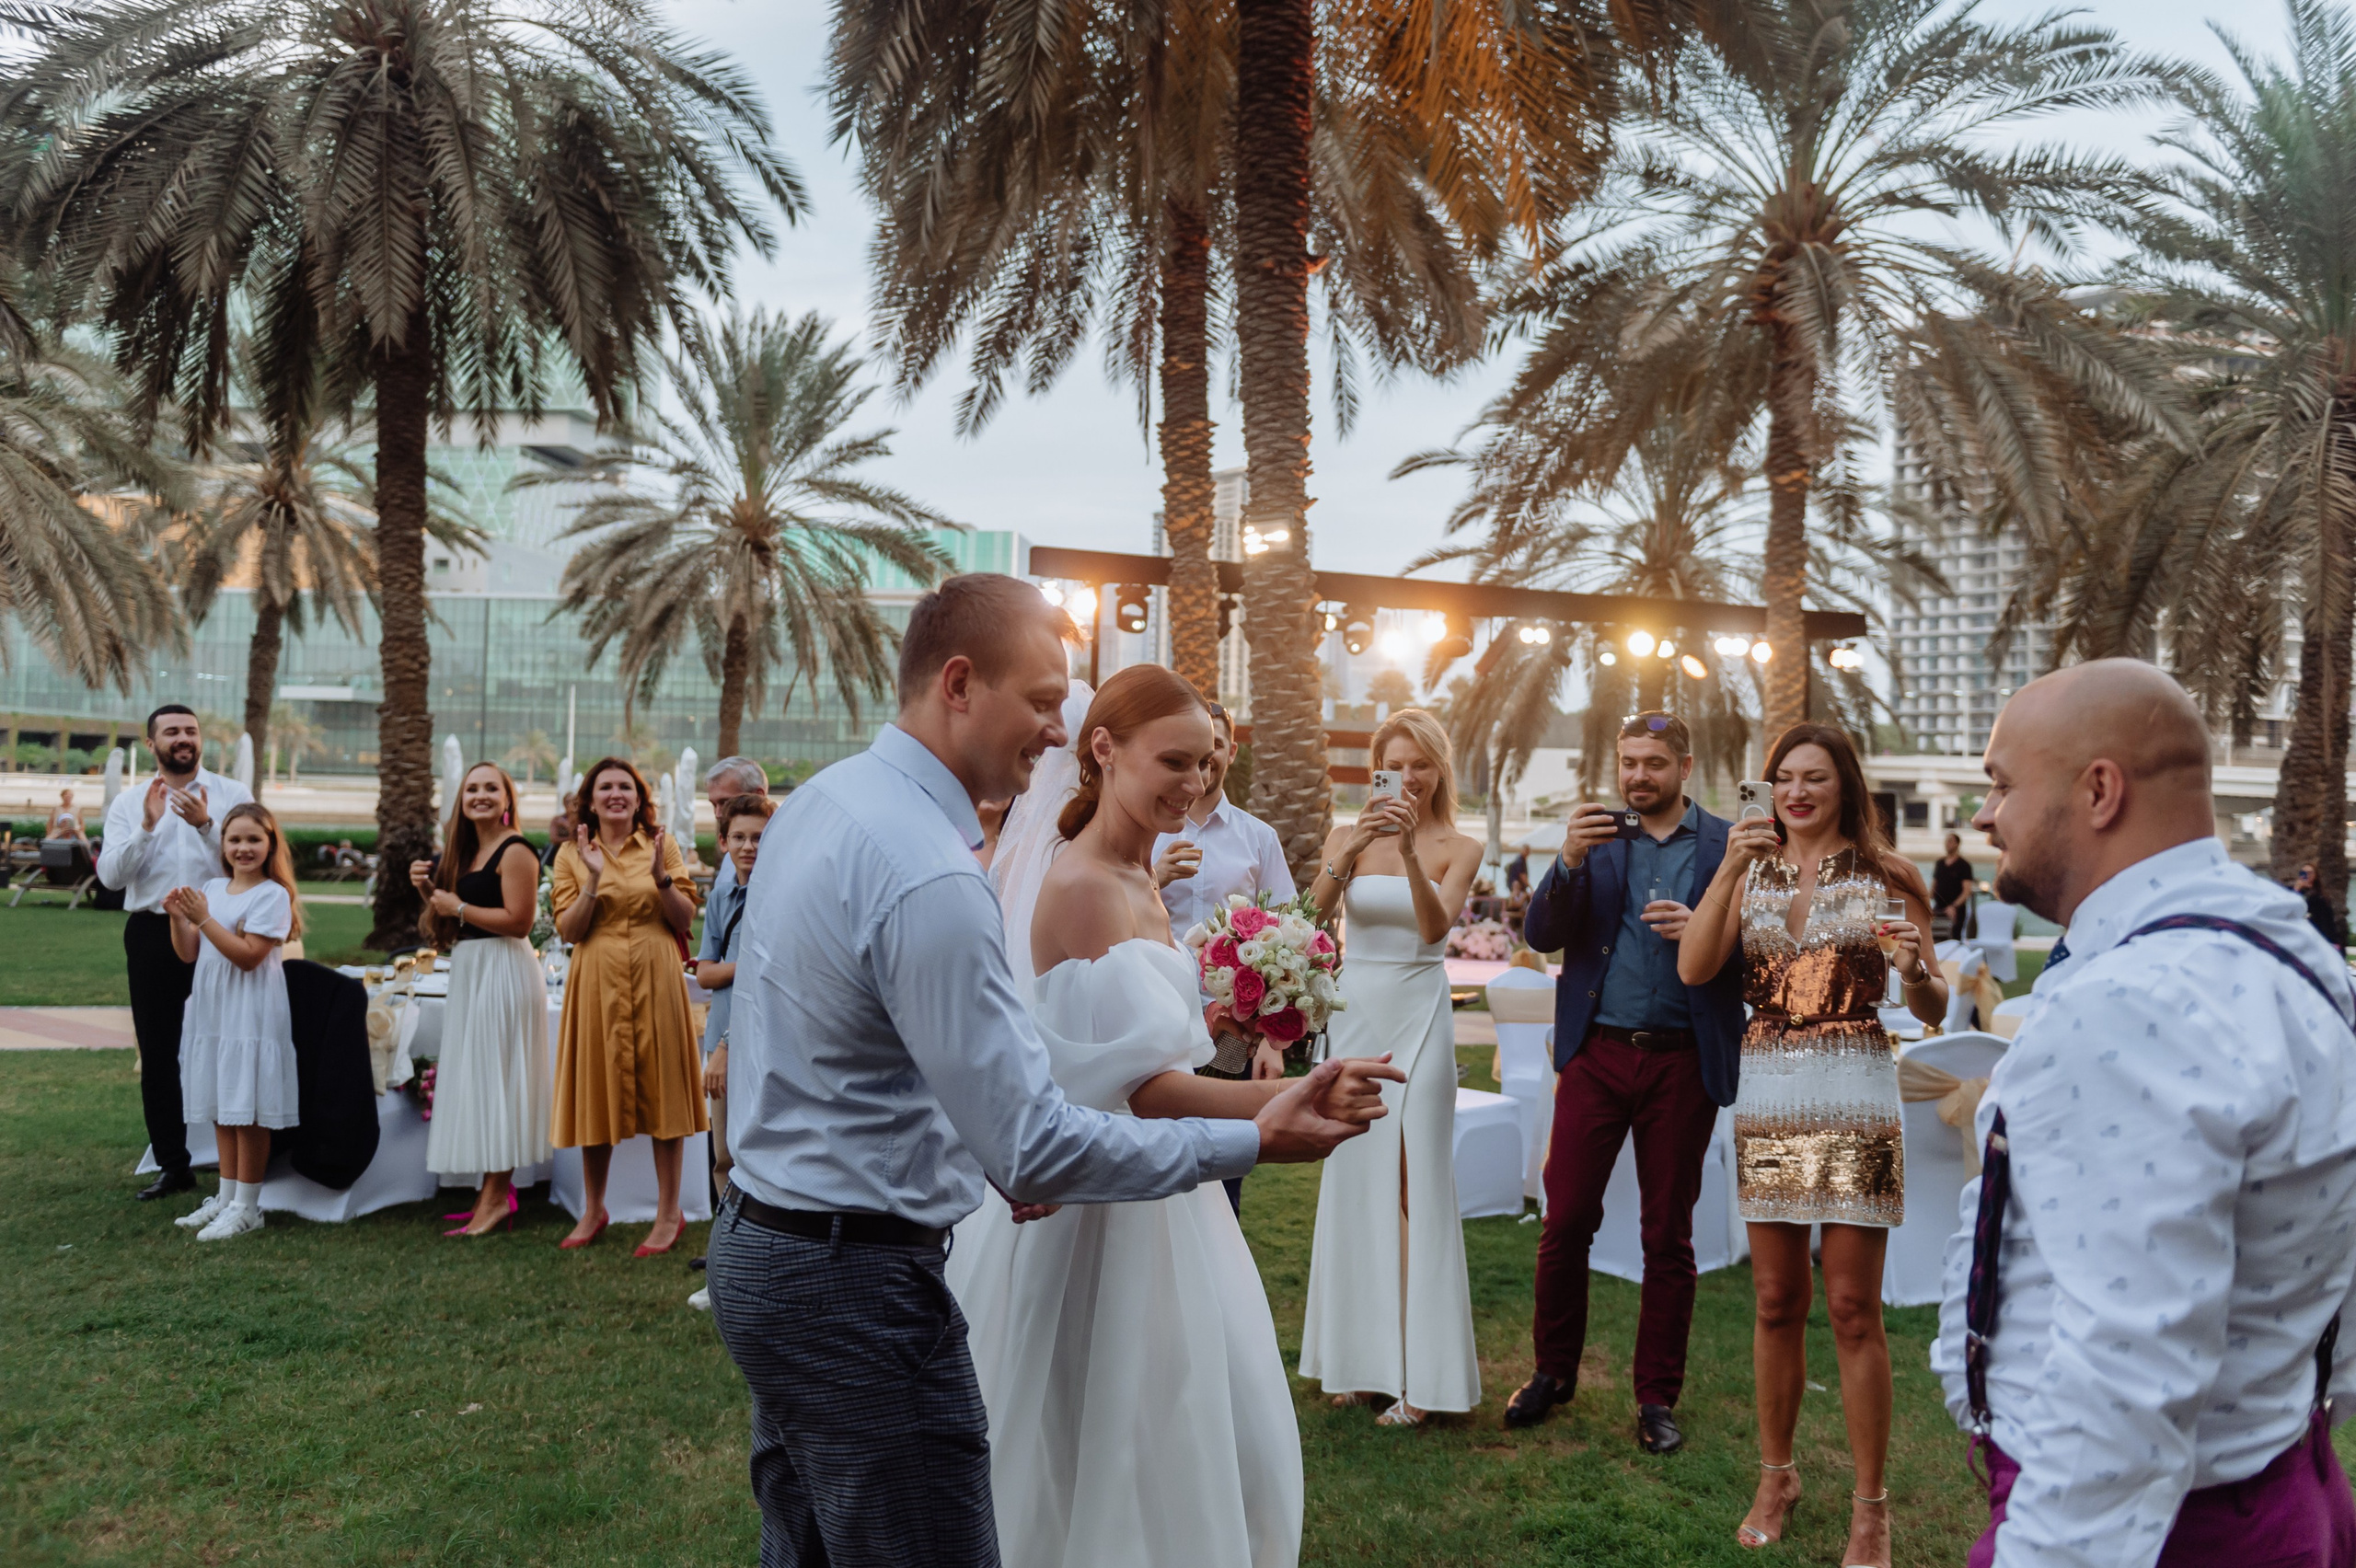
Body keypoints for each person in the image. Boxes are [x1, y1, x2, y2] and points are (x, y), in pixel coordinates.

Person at [706, 571, 1391, 1568]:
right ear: (958, 683)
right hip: (856, 1286)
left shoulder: (821, 805)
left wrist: (981, 1146)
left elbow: (845, 1047)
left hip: (765, 1246)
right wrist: (1257, 1134)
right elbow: (1033, 1147)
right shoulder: (931, 874)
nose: (1059, 728)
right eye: (1040, 700)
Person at [953, 665, 1401, 1568]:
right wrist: (1287, 1102)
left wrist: (1217, 1019)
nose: (1194, 784)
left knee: (1186, 1418)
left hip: (1159, 1189)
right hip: (1102, 1209)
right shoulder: (1085, 884)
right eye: (1174, 762)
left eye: (1204, 763)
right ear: (1104, 748)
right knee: (1114, 1425)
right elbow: (1145, 1091)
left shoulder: (1135, 872)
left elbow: (1129, 1041)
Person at [1931, 660, 2356, 1568]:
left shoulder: (2133, 1002)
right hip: (2282, 1476)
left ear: (2099, 791)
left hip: (2165, 1530)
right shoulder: (2295, 954)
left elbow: (2125, 1376)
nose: (1985, 815)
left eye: (2001, 784)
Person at [1678, 721, 1944, 1567]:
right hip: (1769, 1087)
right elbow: (1694, 967)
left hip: (1856, 1087)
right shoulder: (1746, 869)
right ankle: (1776, 1478)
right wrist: (1728, 867)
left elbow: (1932, 1005)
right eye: (1784, 777)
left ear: (1845, 786)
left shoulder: (1889, 875)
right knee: (1773, 1299)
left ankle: (1872, 1509)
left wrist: (1915, 970)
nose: (1797, 792)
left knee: (1854, 1308)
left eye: (1815, 778)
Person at [1505, 711, 1746, 1456]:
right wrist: (1568, 859)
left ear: (1685, 766)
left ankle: (1656, 1398)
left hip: (1683, 1062)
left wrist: (1705, 927)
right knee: (1566, 1218)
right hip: (1597, 1056)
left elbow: (1759, 953)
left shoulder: (1728, 843)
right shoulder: (1598, 837)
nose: (1639, 776)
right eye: (1629, 762)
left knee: (1667, 1234)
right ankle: (1552, 1372)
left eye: (1654, 763)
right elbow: (1541, 935)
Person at [1298, 708, 1487, 1427]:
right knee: (1353, 1178)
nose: (1408, 777)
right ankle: (1357, 1361)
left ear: (1439, 770)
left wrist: (1407, 852)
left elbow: (1436, 928)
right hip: (1356, 1013)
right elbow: (1310, 919)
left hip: (1420, 1015)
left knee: (1415, 1184)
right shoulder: (1345, 835)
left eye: (1420, 765)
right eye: (1395, 764)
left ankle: (1421, 1379)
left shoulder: (1460, 846)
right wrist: (1350, 852)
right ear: (1376, 769)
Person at [97, 704, 254, 1200]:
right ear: (152, 744)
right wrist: (146, 827)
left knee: (234, 1042)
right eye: (171, 732)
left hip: (221, 929)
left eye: (190, 730)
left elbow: (252, 862)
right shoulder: (129, 804)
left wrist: (208, 827)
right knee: (159, 1052)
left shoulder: (232, 795)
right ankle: (174, 1164)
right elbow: (110, 878)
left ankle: (243, 1162)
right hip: (151, 932)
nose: (183, 738)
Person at [549, 756, 705, 1253]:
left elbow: (684, 920)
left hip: (657, 976)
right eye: (605, 787)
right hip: (596, 978)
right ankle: (593, 1209)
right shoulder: (571, 854)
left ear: (639, 799)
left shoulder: (663, 846)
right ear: (590, 801)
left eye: (625, 787)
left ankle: (669, 1213)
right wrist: (592, 880)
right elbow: (570, 930)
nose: (616, 794)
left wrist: (661, 877)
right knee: (596, 1088)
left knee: (665, 1090)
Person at [1152, 699, 1295, 1213]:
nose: (1205, 756)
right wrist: (1154, 879)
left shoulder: (1259, 838)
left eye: (1215, 744)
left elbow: (1285, 940)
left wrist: (1272, 1042)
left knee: (1223, 1162)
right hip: (1157, 1019)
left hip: (1230, 1032)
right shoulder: (1147, 829)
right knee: (1156, 1147)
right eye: (1194, 746)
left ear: (1231, 751)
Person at [410, 762, 548, 1238]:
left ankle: (497, 1199)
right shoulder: (465, 852)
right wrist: (429, 892)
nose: (481, 795)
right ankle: (488, 1195)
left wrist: (460, 906)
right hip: (472, 968)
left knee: (499, 1078)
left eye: (492, 788)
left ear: (507, 799)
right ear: (462, 799)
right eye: (472, 789)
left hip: (504, 967)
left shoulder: (516, 851)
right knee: (482, 1078)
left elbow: (519, 922)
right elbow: (452, 924)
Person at [163, 801, 301, 1242]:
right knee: (224, 1106)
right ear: (222, 844)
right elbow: (189, 952)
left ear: (270, 845)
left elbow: (248, 956)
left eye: (253, 839)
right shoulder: (213, 887)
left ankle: (248, 1206)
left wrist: (203, 919)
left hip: (250, 1010)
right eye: (235, 839)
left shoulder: (272, 895)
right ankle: (225, 1199)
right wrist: (179, 919)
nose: (244, 848)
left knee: (247, 1110)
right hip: (214, 1010)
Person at [686, 790, 772, 1310]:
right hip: (722, 1033)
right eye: (738, 837)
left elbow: (771, 982)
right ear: (723, 842)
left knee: (757, 1158)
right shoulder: (722, 898)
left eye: (759, 837)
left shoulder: (778, 897)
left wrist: (725, 1046)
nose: (748, 847)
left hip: (755, 1044)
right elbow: (704, 971)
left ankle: (759, 1270)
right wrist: (750, 964)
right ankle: (726, 1270)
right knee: (722, 1158)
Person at [701, 755, 768, 889]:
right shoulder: (731, 859)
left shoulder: (785, 858)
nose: (718, 814)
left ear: (758, 796)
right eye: (714, 805)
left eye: (725, 802)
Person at [2293, 863, 2349, 954]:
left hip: (2317, 936)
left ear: (2315, 875)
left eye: (2310, 873)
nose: (2307, 875)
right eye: (2303, 873)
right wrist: (2296, 890)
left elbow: (2326, 922)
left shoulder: (2319, 897)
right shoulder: (2297, 892)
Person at [1931, 831, 1974, 939]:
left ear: (1957, 844)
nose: (1947, 844)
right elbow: (1934, 886)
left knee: (1954, 937)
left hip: (1956, 910)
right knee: (1935, 936)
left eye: (1950, 841)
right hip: (1939, 908)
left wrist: (1954, 906)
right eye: (1946, 841)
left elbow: (1967, 891)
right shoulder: (1940, 863)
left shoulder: (1964, 865)